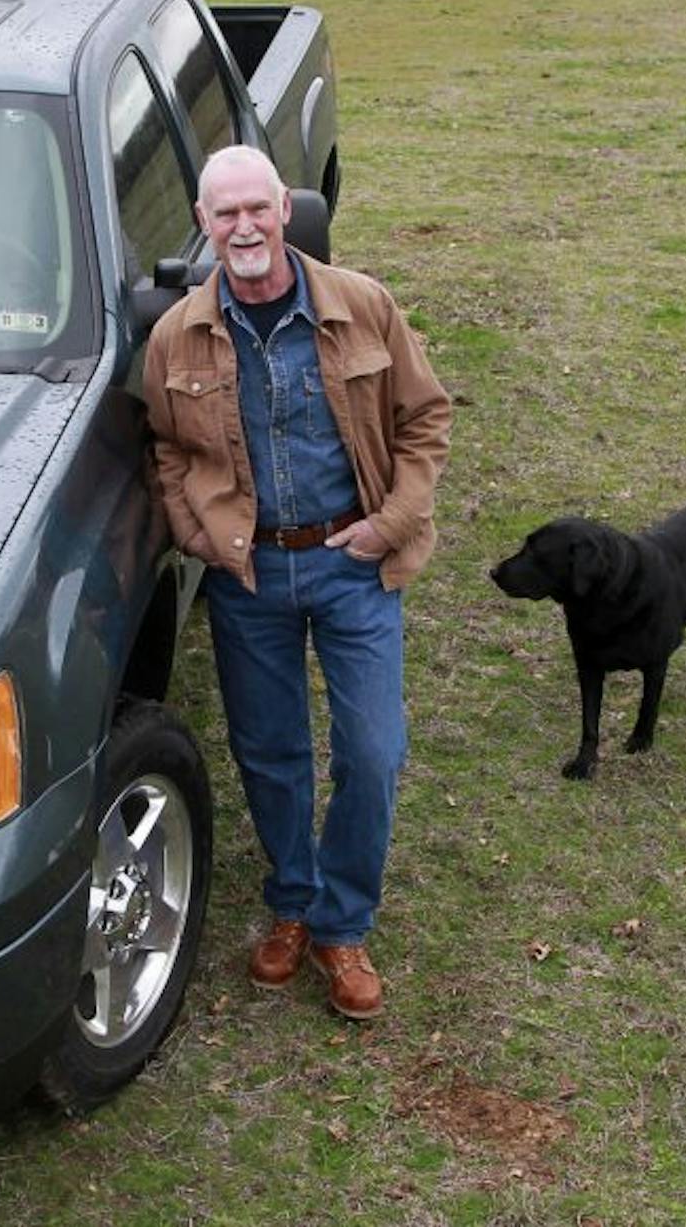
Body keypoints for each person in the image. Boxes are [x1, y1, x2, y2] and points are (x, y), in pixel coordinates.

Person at [143, 145, 452, 1020]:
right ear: (203, 224)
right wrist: (198, 533)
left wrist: (391, 523)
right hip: (250, 574)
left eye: (257, 208)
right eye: (224, 213)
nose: (244, 227)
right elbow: (168, 449)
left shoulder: (362, 306)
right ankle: (290, 902)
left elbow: (425, 418)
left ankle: (341, 923)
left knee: (371, 751)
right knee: (271, 752)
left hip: (354, 563)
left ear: (286, 208)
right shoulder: (177, 336)